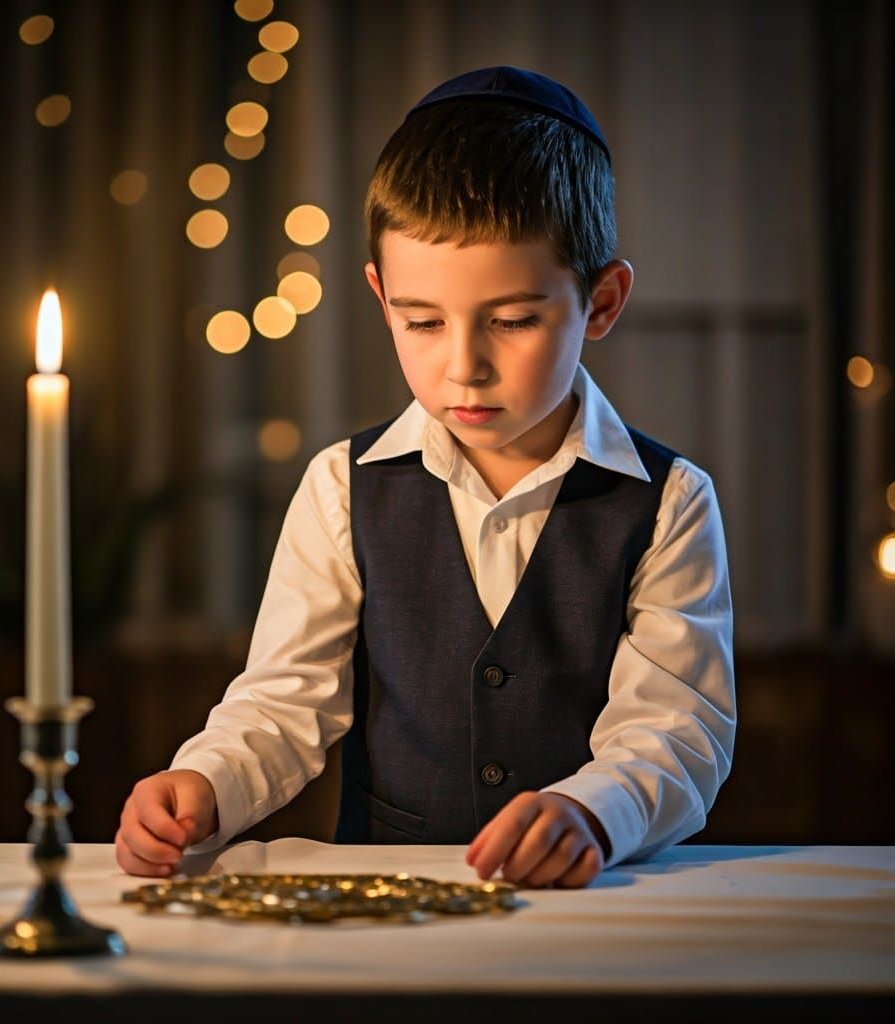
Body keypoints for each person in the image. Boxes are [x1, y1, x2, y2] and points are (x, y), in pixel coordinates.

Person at [115, 66, 736, 889]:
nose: (464, 367)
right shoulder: (343, 486)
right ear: (380, 296)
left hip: (590, 909)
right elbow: (284, 701)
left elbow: (676, 727)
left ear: (602, 302)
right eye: (422, 321)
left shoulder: (670, 502)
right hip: (390, 910)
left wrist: (596, 810)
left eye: (513, 320)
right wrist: (203, 784)